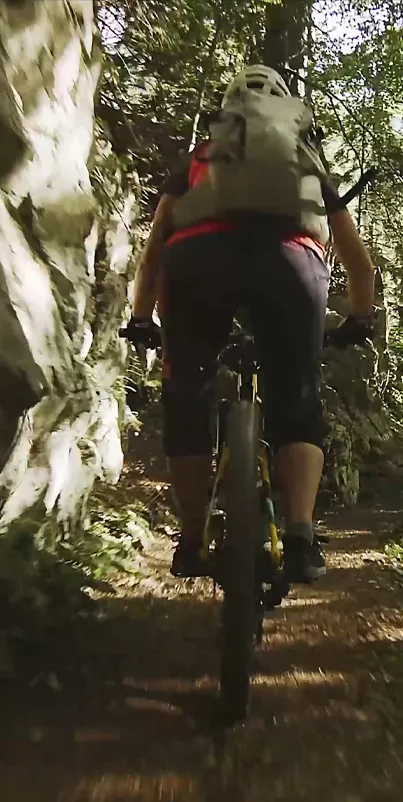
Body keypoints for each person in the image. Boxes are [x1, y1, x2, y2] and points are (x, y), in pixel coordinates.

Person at [123, 65, 376, 584]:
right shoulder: (304, 158)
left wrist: (142, 317)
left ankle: (191, 541)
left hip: (197, 261)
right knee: (298, 399)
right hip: (292, 263)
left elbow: (153, 250)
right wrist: (361, 316)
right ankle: (302, 537)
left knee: (187, 395)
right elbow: (356, 258)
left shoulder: (201, 156)